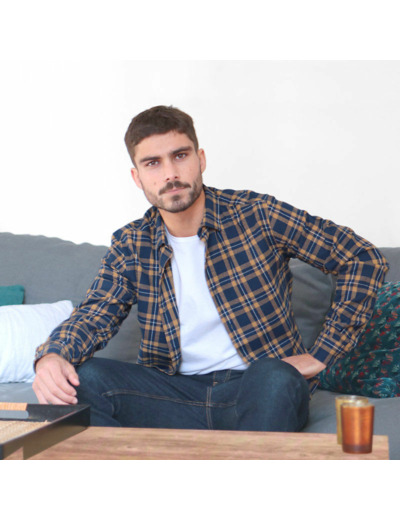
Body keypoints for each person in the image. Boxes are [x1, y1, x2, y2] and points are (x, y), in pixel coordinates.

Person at [33, 105, 388, 431]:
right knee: (84, 379)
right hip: (172, 395)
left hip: (257, 388)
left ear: (200, 159)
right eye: (153, 163)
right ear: (137, 177)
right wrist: (53, 355)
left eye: (180, 156)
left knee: (275, 375)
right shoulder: (131, 243)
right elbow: (95, 313)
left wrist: (322, 354)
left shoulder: (257, 215)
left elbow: (361, 257)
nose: (170, 174)